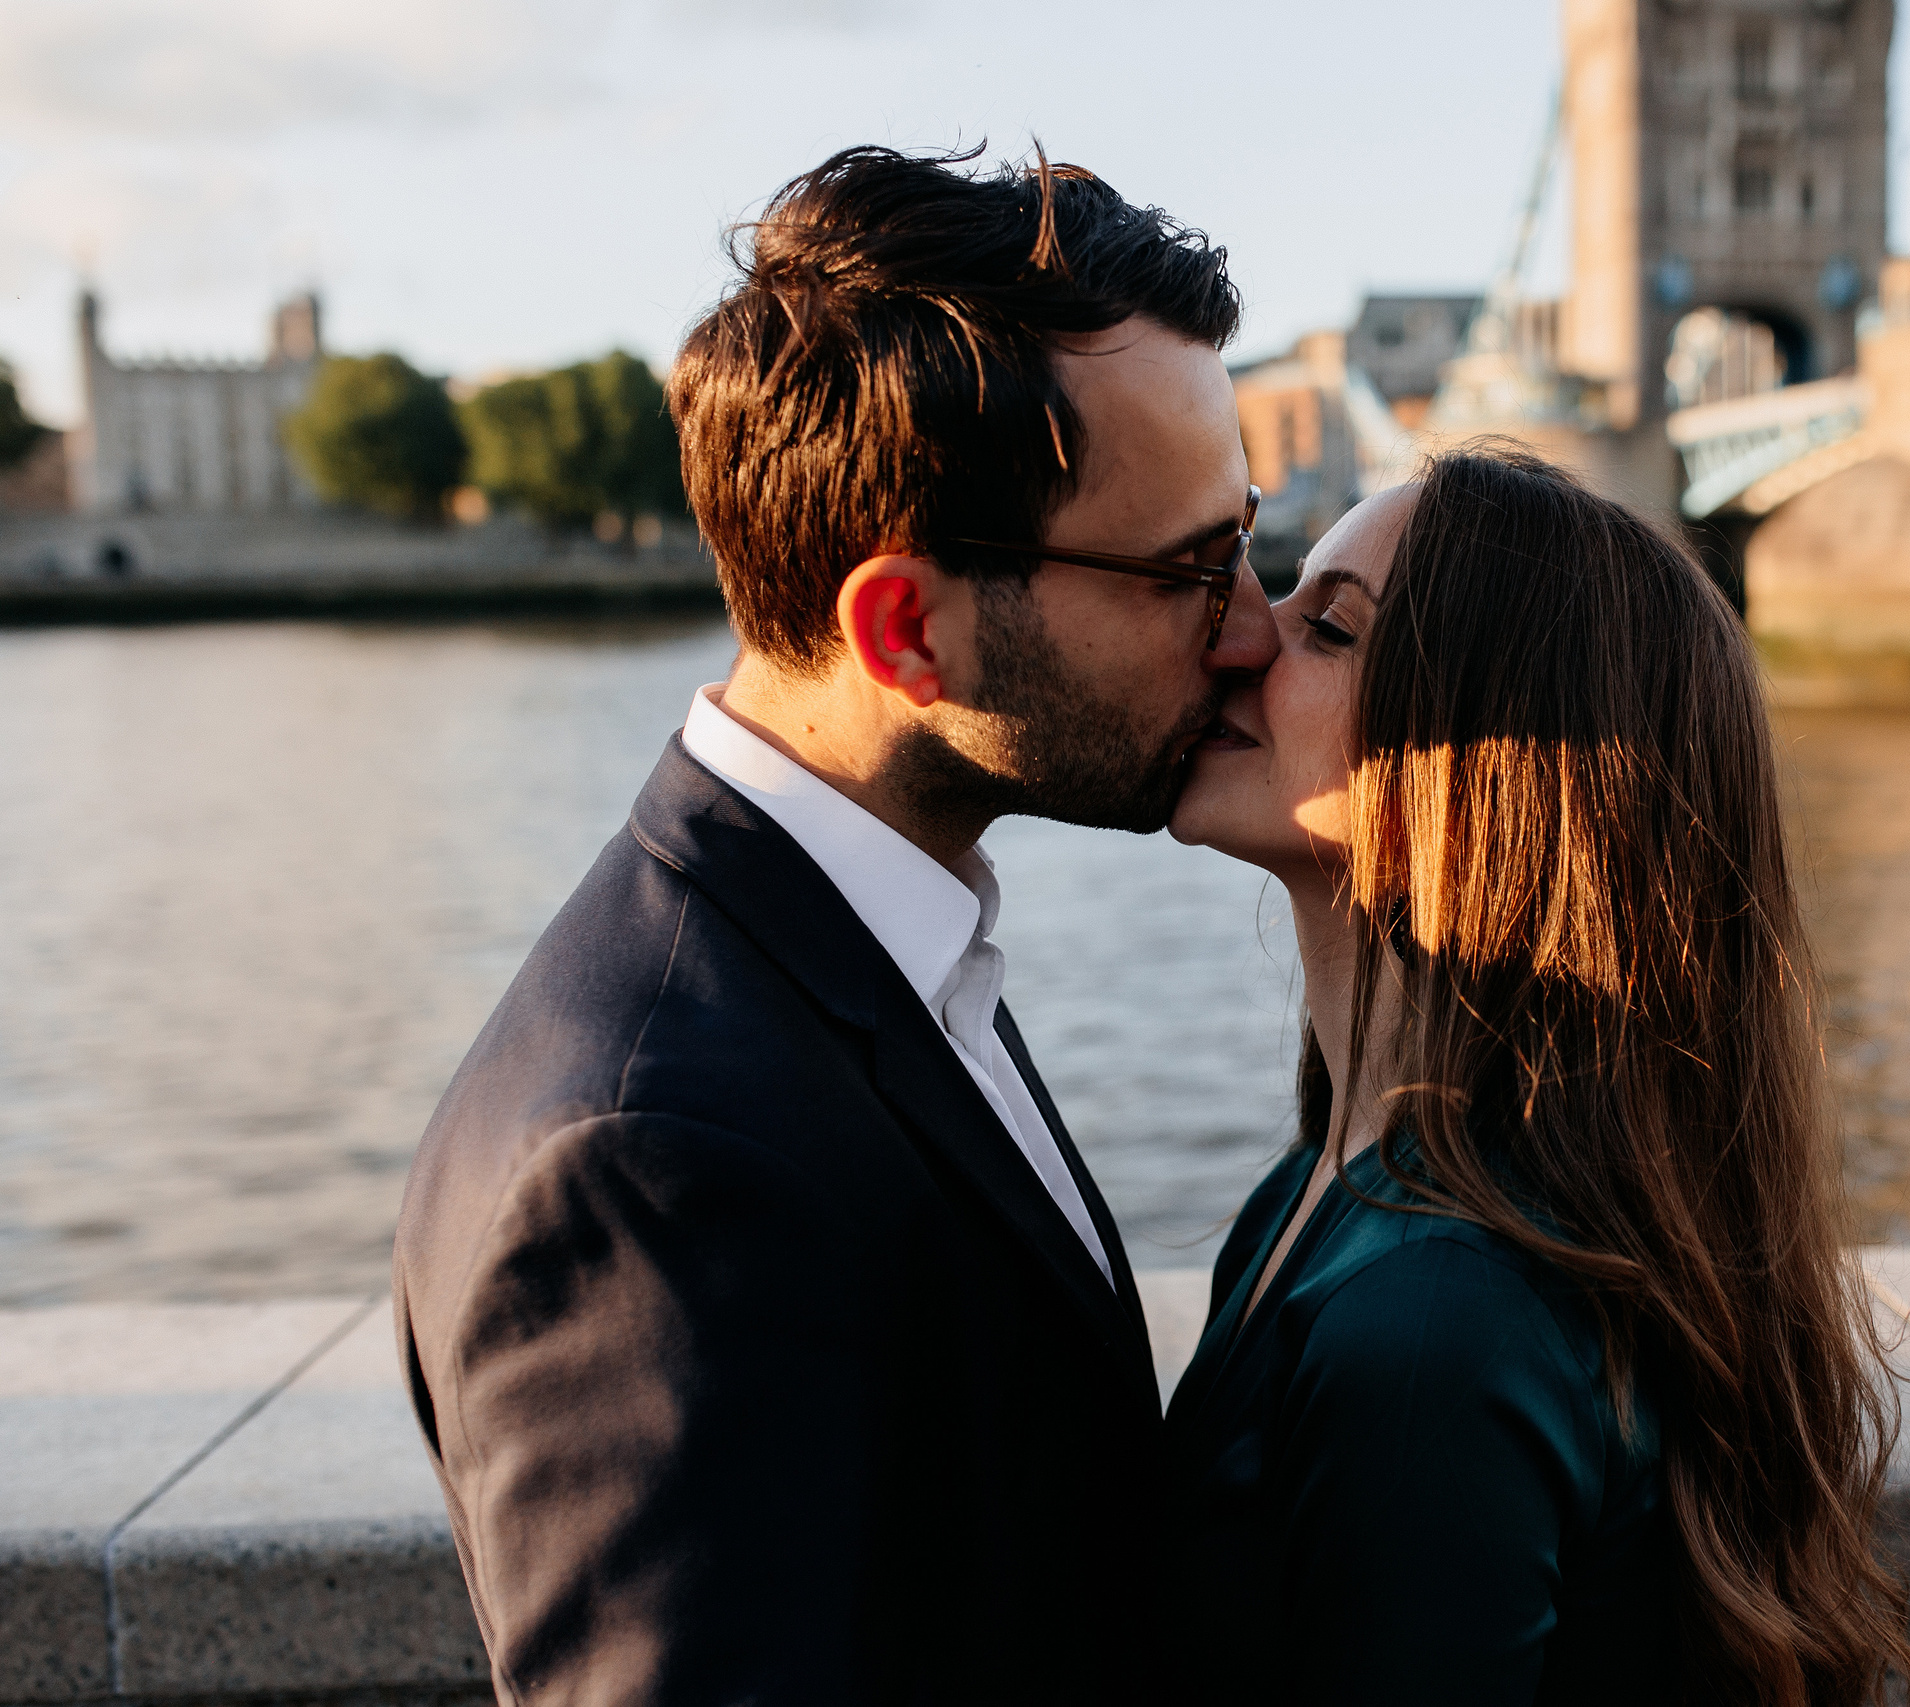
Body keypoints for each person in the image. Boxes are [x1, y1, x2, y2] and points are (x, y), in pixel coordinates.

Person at [392, 145, 1274, 1704]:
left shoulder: (855, 940)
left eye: (1248, 537)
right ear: (906, 628)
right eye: (1193, 570)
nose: (1256, 627)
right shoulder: (650, 1159)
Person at [1162, 445, 1910, 1705]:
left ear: (1490, 764)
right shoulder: (1322, 1189)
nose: (1241, 636)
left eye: (1330, 629)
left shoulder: (1432, 1320)